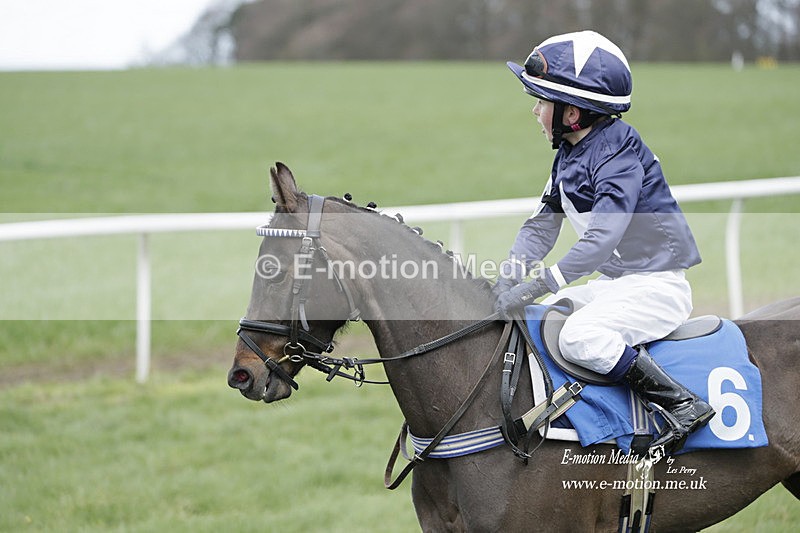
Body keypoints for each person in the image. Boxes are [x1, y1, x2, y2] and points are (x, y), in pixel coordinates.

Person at [493, 30, 714, 454]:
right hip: (618, 284)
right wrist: (507, 278)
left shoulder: (620, 155)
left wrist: (536, 284)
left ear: (571, 114)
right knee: (543, 319)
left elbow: (599, 241)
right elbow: (539, 228)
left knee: (578, 337)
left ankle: (683, 405)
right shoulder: (569, 155)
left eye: (541, 102)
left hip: (657, 287)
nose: (535, 111)